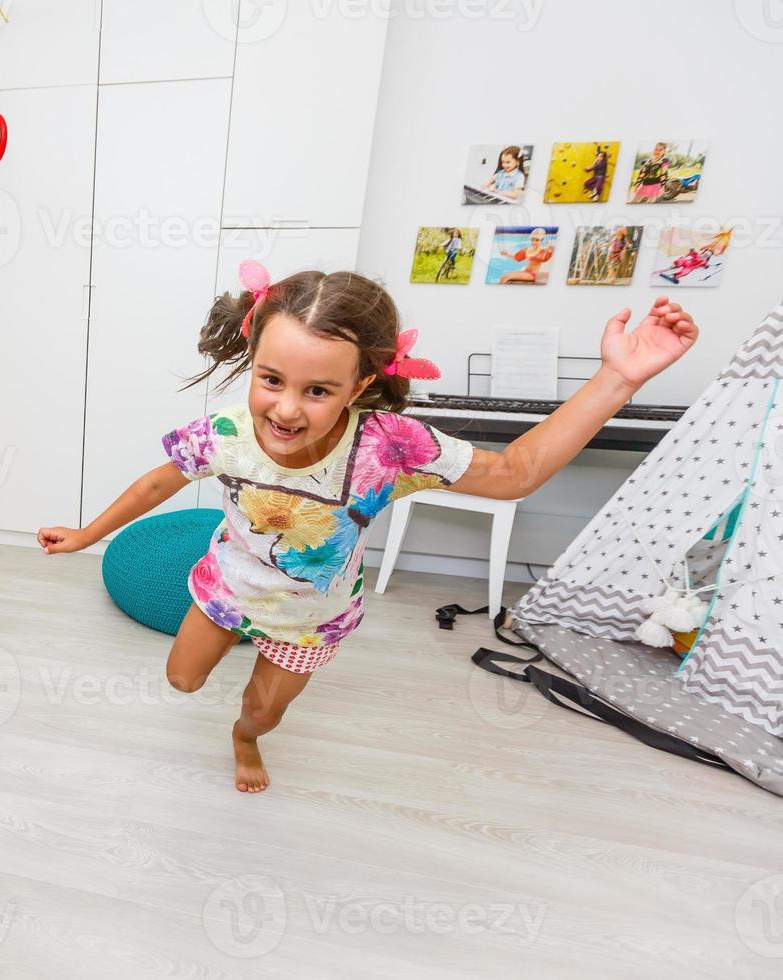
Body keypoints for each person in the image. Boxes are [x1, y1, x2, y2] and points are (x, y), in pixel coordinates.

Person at [37, 264, 697, 793]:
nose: (287, 409)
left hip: (311, 616)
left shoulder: (390, 447)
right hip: (227, 589)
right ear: (254, 363)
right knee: (181, 680)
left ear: (359, 385)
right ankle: (229, 676)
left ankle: (244, 739)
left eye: (319, 390)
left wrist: (618, 377)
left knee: (263, 713)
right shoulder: (225, 434)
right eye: (271, 380)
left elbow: (517, 471)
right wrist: (86, 534)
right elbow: (161, 481)